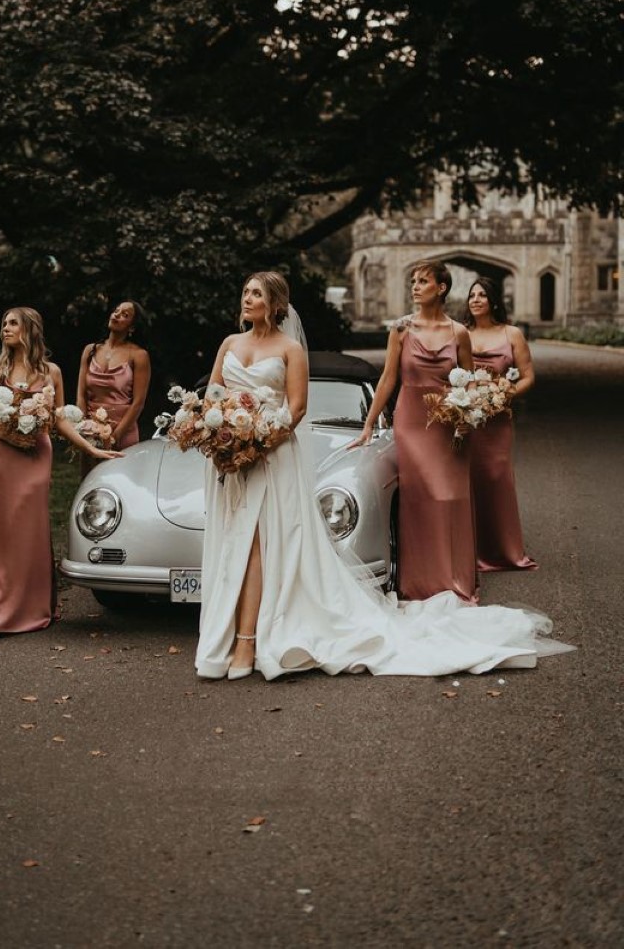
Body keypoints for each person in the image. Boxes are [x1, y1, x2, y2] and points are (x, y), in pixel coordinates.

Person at [195, 271, 572, 681]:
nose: (247, 298)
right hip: (230, 459)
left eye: (255, 293)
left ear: (275, 303)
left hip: (270, 455)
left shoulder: (290, 349)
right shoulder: (228, 344)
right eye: (245, 291)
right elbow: (213, 395)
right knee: (231, 541)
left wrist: (259, 441)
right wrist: (219, 435)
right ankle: (224, 634)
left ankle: (247, 641)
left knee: (258, 543)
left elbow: (297, 408)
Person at [0, 306, 121, 645]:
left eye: (12, 323)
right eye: (3, 323)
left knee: (30, 530)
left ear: (29, 329)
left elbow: (59, 419)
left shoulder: (51, 372)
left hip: (35, 457)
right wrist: (8, 434)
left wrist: (91, 448)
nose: (5, 328)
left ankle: (34, 606)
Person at [349, 261, 478, 602]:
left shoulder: (459, 333)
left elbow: (472, 382)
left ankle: (455, 579)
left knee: (450, 498)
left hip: (449, 425)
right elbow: (389, 377)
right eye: (414, 281)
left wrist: (468, 415)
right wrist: (368, 424)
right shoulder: (401, 330)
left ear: (442, 288)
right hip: (412, 422)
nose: (416, 287)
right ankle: (419, 583)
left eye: (424, 281)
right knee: (420, 499)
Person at [465, 277, 538, 572]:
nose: (476, 299)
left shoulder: (512, 334)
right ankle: (470, 551)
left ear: (493, 300)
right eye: (472, 295)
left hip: (497, 421)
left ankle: (504, 550)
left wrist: (503, 395)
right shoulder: (461, 334)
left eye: (482, 294)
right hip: (467, 418)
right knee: (468, 479)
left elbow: (528, 376)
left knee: (497, 478)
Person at [76, 299, 151, 478]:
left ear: (132, 327)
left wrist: (114, 437)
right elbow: (80, 394)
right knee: (91, 484)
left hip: (123, 431)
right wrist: (83, 428)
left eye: (125, 315)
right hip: (91, 431)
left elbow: (138, 403)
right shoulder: (90, 350)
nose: (117, 315)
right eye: (116, 310)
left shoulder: (139, 356)